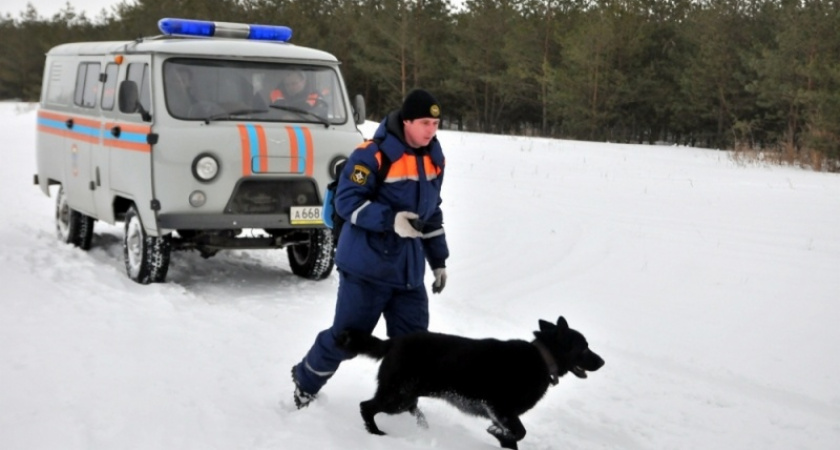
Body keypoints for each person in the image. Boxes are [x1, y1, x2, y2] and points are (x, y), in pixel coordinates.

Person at [291, 89, 449, 408]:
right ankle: (305, 381)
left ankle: (402, 405)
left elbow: (432, 214)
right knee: (348, 339)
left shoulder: (435, 158)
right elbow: (348, 203)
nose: (431, 130)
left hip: (408, 275)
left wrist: (439, 261)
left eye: (435, 123)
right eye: (424, 123)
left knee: (413, 348)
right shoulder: (372, 154)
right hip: (366, 269)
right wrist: (392, 220)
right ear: (406, 121)